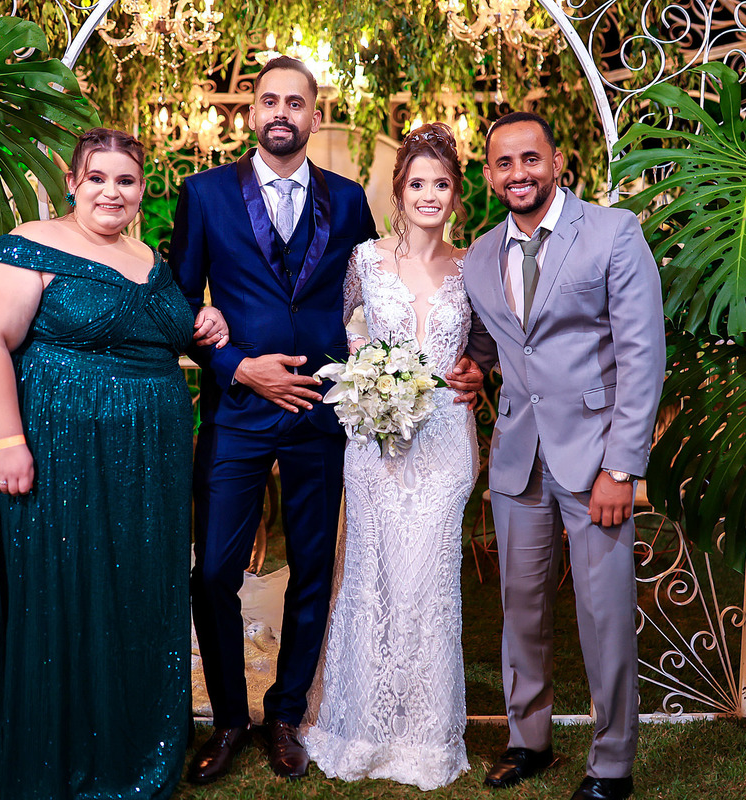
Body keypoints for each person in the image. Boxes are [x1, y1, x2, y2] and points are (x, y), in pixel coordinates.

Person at [0, 127, 228, 800]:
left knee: (137, 593)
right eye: (98, 178)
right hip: (60, 452)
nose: (112, 191)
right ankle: (59, 753)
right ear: (73, 183)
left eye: (126, 180)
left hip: (150, 462)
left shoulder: (149, 259)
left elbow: (165, 332)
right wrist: (10, 441)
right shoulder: (30, 245)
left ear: (142, 190)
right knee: (65, 587)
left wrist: (205, 320)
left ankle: (132, 743)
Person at [170, 55, 381, 783]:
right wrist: (238, 366)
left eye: (296, 101)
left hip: (320, 411)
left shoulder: (348, 200)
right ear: (252, 112)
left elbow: (371, 296)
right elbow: (179, 303)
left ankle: (286, 715)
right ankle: (230, 718)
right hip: (237, 412)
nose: (281, 112)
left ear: (314, 115)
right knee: (214, 571)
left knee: (313, 569)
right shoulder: (204, 195)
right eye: (269, 100)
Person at [463, 112, 665, 800]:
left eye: (530, 159)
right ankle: (529, 741)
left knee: (604, 615)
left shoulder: (613, 232)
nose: (518, 173)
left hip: (596, 461)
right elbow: (496, 342)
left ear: (556, 163)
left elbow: (642, 356)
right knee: (520, 608)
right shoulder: (480, 255)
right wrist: (472, 367)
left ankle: (611, 765)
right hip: (517, 459)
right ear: (489, 175)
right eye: (503, 163)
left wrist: (622, 468)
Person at [301, 123, 477, 790]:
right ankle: (362, 728)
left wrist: (479, 372)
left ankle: (426, 736)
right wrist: (365, 388)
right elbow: (340, 335)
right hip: (376, 446)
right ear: (398, 192)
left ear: (456, 194)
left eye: (442, 184)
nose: (429, 195)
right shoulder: (364, 260)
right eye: (417, 184)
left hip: (447, 443)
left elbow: (488, 348)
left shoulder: (473, 266)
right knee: (373, 580)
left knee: (429, 584)